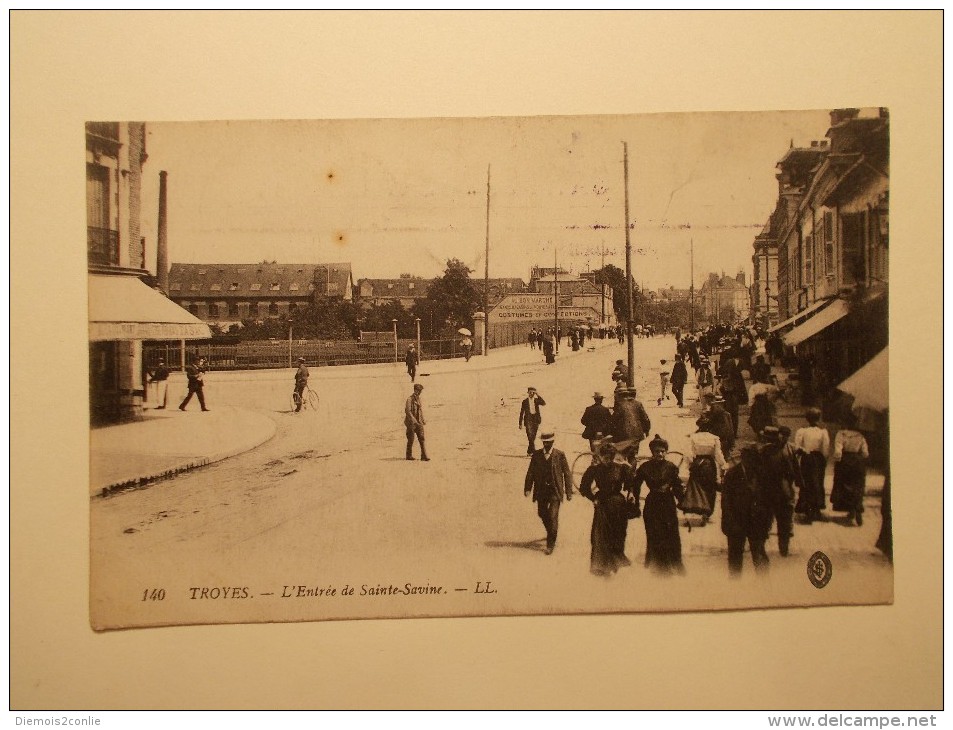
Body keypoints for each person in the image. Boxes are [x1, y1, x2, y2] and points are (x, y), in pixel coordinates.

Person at [580, 443, 636, 576]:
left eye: (610, 457)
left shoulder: (621, 468)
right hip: (602, 504)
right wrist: (592, 498)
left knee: (618, 532)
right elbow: (584, 487)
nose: (607, 459)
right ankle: (600, 564)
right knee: (599, 534)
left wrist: (631, 493)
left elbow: (630, 483)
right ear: (600, 456)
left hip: (618, 503)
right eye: (605, 457)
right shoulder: (594, 470)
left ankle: (616, 561)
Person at [632, 434, 685, 574]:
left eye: (662, 451)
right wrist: (634, 500)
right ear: (652, 452)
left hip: (668, 503)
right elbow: (636, 485)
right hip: (652, 503)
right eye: (657, 451)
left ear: (666, 452)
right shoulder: (645, 467)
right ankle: (655, 564)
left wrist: (683, 501)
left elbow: (677, 486)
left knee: (671, 533)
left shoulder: (671, 467)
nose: (659, 454)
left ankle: (674, 563)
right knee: (653, 533)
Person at [721, 445, 771, 575]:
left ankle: (764, 588)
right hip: (736, 523)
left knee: (759, 556)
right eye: (749, 459)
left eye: (754, 460)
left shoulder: (762, 474)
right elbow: (726, 502)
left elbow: (769, 501)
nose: (752, 463)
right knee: (735, 558)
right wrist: (730, 523)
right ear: (743, 459)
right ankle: (735, 588)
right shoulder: (732, 475)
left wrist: (767, 522)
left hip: (757, 523)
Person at [524, 431, 574, 555]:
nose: (546, 445)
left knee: (553, 516)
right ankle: (551, 532)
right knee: (542, 513)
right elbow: (530, 472)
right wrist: (528, 488)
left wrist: (568, 491)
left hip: (555, 490)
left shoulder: (559, 455)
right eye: (544, 442)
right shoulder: (536, 455)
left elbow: (567, 474)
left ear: (552, 442)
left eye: (548, 443)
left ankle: (550, 544)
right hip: (541, 490)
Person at [757, 426, 797, 557]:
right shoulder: (786, 451)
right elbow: (793, 472)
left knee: (764, 520)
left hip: (766, 491)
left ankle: (760, 546)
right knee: (784, 520)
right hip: (783, 491)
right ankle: (783, 549)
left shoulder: (763, 452)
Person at [684, 417, 728, 523]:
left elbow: (688, 453)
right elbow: (718, 454)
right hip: (709, 465)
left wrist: (690, 464)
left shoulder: (693, 437)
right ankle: (706, 513)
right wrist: (723, 465)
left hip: (697, 464)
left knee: (695, 488)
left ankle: (695, 508)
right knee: (710, 488)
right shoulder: (714, 438)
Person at [830, 418, 870, 526]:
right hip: (857, 462)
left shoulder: (841, 434)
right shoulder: (860, 436)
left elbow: (838, 451)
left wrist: (838, 461)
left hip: (845, 461)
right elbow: (865, 453)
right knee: (858, 486)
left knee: (845, 486)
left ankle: (850, 509)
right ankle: (856, 509)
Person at [794, 407, 830, 524]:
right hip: (818, 459)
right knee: (818, 482)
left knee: (806, 482)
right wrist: (824, 459)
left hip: (806, 458)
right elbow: (825, 449)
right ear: (818, 418)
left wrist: (800, 455)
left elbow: (797, 447)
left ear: (807, 419)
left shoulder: (802, 431)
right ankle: (816, 508)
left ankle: (806, 507)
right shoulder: (822, 432)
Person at [610, 387, 651, 463]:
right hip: (637, 434)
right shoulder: (638, 404)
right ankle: (632, 471)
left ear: (619, 396)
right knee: (633, 455)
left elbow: (613, 421)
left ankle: (626, 472)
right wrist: (646, 430)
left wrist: (609, 432)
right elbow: (645, 418)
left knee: (622, 455)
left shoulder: (620, 405)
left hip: (623, 435)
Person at [404, 383, 429, 461]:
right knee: (411, 439)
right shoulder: (409, 399)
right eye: (419, 391)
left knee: (422, 438)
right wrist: (414, 421)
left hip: (419, 422)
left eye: (420, 391)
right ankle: (408, 455)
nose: (420, 392)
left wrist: (422, 419)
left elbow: (420, 411)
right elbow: (408, 411)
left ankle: (424, 456)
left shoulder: (419, 399)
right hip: (411, 423)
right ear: (415, 390)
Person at [518, 387, 546, 455]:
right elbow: (522, 412)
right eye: (530, 392)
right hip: (528, 420)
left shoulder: (536, 400)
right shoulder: (525, 401)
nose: (531, 394)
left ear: (534, 393)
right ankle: (533, 452)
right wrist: (520, 423)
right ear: (528, 393)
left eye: (533, 393)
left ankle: (529, 451)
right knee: (529, 436)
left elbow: (544, 403)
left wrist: (538, 394)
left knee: (533, 436)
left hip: (535, 420)